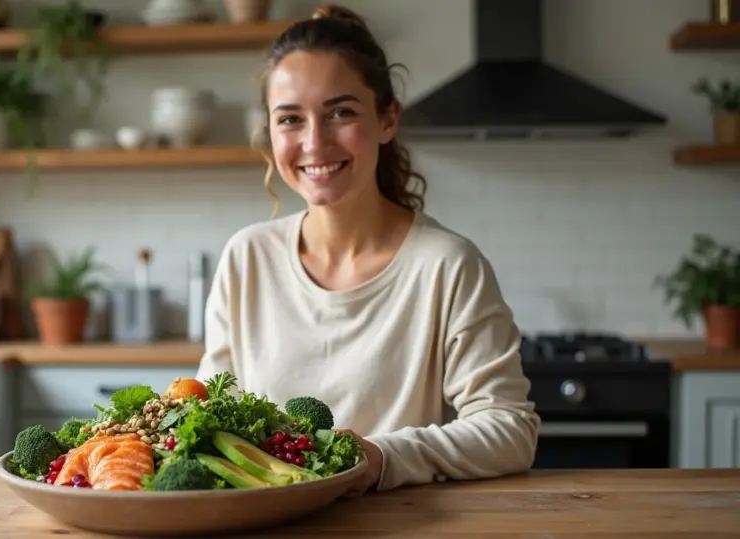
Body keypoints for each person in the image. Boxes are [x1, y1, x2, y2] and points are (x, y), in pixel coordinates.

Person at [194, 4, 541, 496]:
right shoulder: (247, 258)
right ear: (270, 134)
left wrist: (380, 458)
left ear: (387, 119)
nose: (314, 142)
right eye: (290, 119)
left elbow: (510, 429)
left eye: (341, 112)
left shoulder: (446, 265)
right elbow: (207, 415)